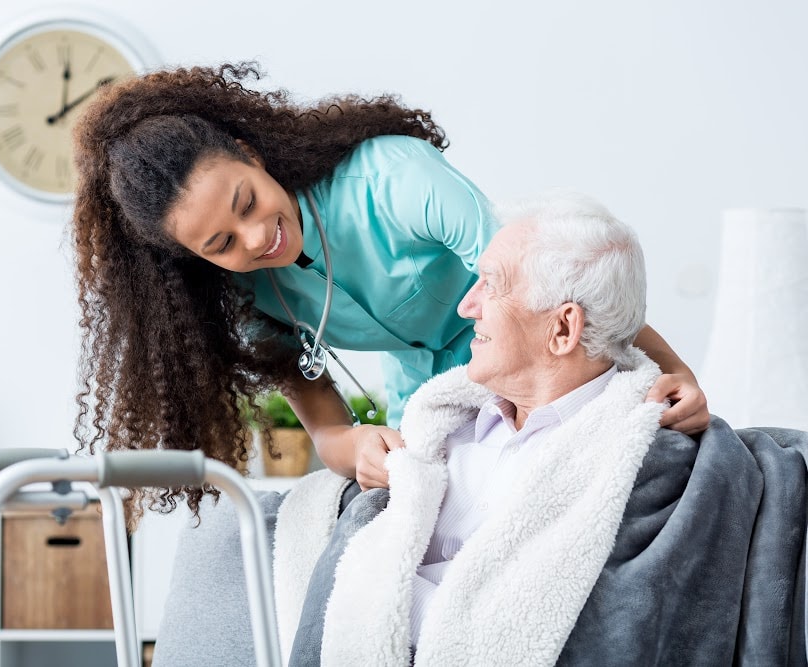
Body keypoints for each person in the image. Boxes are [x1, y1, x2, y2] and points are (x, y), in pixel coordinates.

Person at [70, 62, 708, 518]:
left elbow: (556, 285)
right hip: (428, 399)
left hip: (536, 358)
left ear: (250, 154)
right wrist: (358, 448)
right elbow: (329, 434)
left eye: (248, 202)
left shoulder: (395, 180)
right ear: (193, 259)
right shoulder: (252, 301)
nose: (257, 237)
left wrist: (673, 367)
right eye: (221, 245)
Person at [270, 192, 808, 667]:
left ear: (563, 328)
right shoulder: (440, 432)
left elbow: (597, 623)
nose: (465, 306)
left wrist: (397, 600)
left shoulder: (641, 462)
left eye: (491, 285)